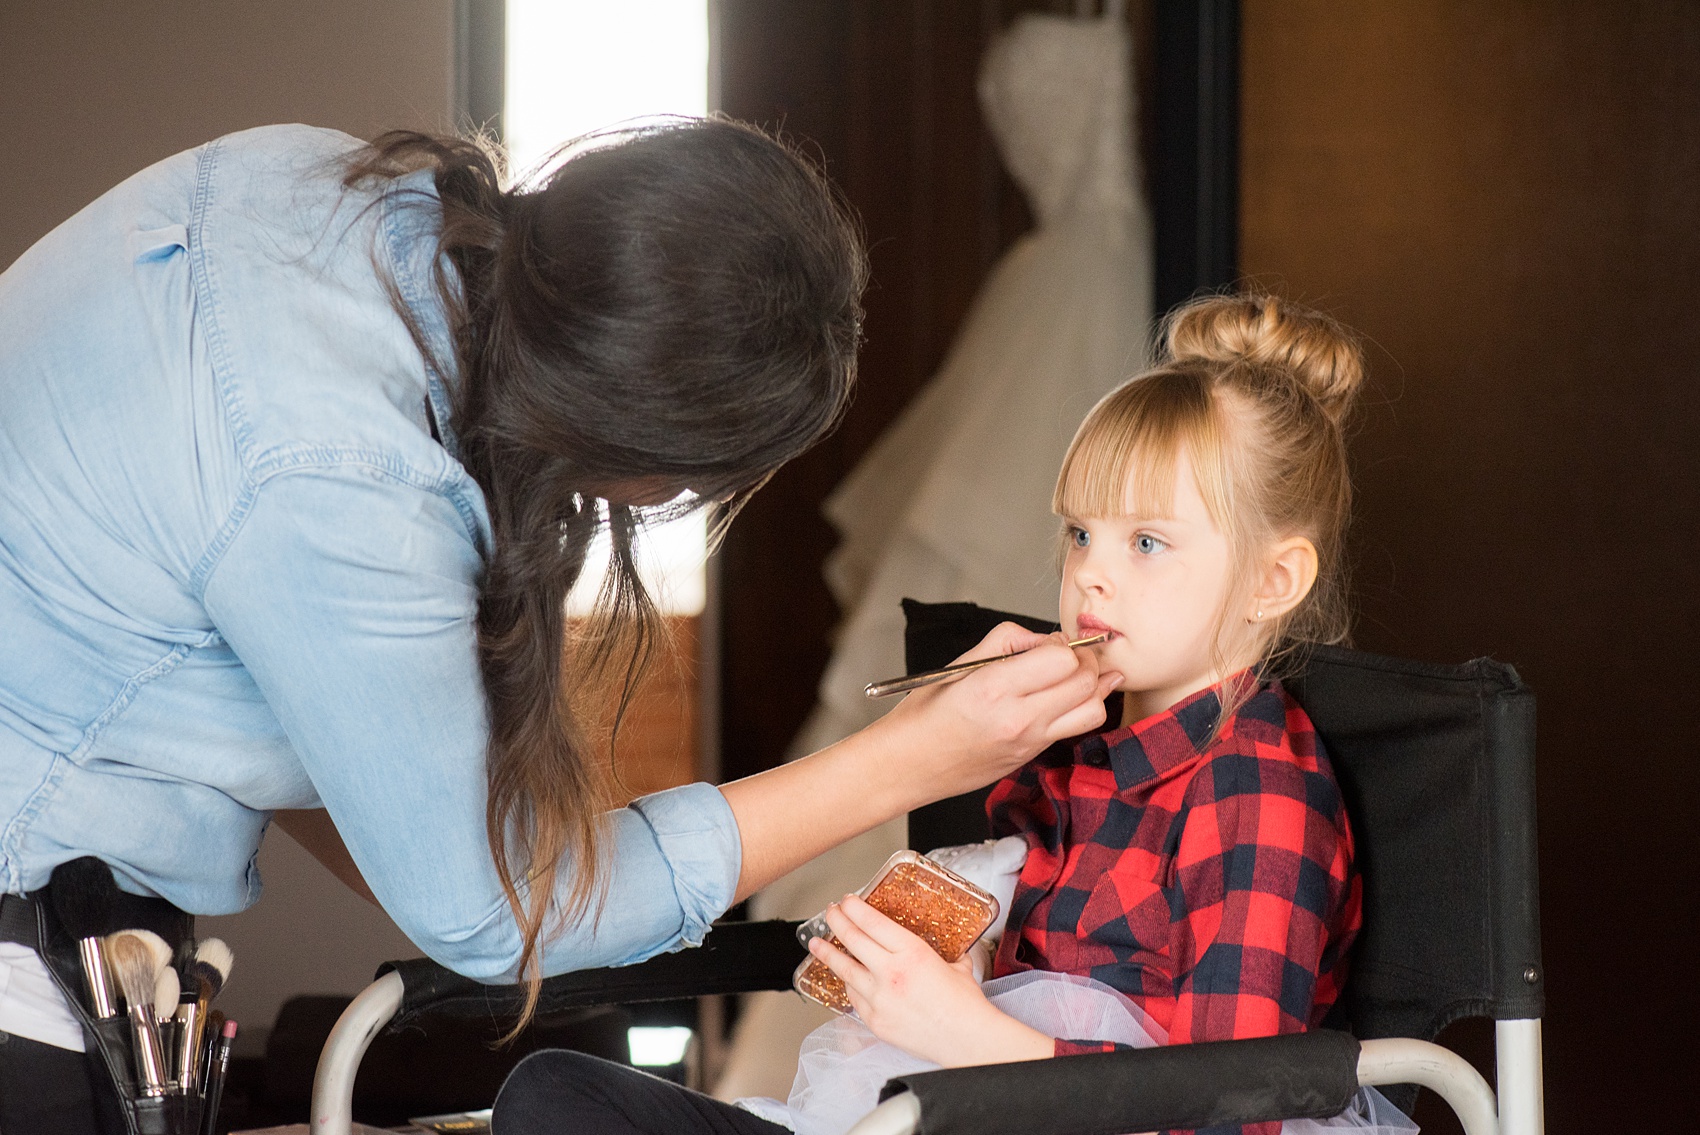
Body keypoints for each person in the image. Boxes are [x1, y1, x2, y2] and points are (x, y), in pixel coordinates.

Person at [0, 119, 1118, 1132]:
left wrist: (464, 863)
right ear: (640, 450)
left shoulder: (307, 183)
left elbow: (254, 690)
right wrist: (909, 760)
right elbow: (491, 915)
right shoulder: (347, 482)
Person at [490, 294, 1414, 1135]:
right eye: (1080, 531)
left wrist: (965, 1029)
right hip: (950, 1108)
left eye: (1145, 542)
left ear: (1272, 580)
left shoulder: (1258, 789)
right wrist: (932, 967)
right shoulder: (1069, 749)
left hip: (1041, 1107)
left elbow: (1228, 1114)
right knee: (553, 1094)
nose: (1091, 571)